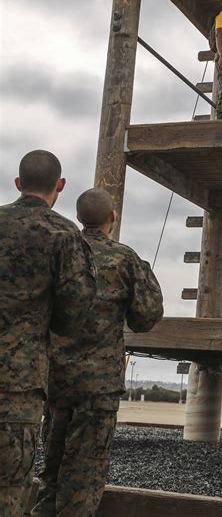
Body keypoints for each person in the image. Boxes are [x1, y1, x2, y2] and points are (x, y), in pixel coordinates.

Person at [32, 187, 164, 517]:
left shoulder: (58, 254)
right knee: (84, 475)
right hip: (99, 387)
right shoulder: (125, 259)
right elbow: (146, 316)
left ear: (77, 218)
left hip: (56, 380)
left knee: (51, 469)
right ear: (112, 218)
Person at [0, 150, 96, 517]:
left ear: (18, 184)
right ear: (60, 186)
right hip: (18, 386)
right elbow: (76, 313)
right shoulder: (62, 233)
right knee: (9, 490)